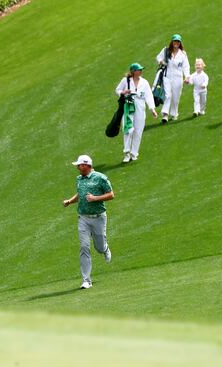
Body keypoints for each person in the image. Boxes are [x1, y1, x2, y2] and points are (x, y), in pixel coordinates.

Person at [63, 155, 114, 289]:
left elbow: (111, 195)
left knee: (99, 247)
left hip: (98, 217)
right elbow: (80, 194)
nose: (77, 167)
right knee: (84, 247)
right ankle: (86, 280)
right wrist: (70, 201)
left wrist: (95, 198)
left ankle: (105, 248)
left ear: (86, 165)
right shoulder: (79, 179)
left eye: (79, 165)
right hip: (83, 218)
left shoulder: (100, 178)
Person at [115, 63, 157, 163]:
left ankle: (134, 154)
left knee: (138, 131)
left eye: (141, 70)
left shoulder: (145, 82)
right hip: (128, 106)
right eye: (139, 70)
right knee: (128, 129)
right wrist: (123, 92)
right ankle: (126, 153)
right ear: (133, 71)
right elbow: (118, 89)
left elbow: (149, 96)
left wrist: (152, 109)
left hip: (140, 107)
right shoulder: (125, 80)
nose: (141, 71)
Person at [156, 34, 191, 123]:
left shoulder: (183, 54)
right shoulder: (166, 50)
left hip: (178, 78)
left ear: (180, 43)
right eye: (175, 41)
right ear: (172, 42)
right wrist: (161, 61)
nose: (176, 43)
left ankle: (174, 113)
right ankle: (165, 115)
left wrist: (187, 76)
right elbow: (158, 57)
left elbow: (186, 66)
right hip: (167, 76)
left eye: (178, 41)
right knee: (168, 95)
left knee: (176, 97)